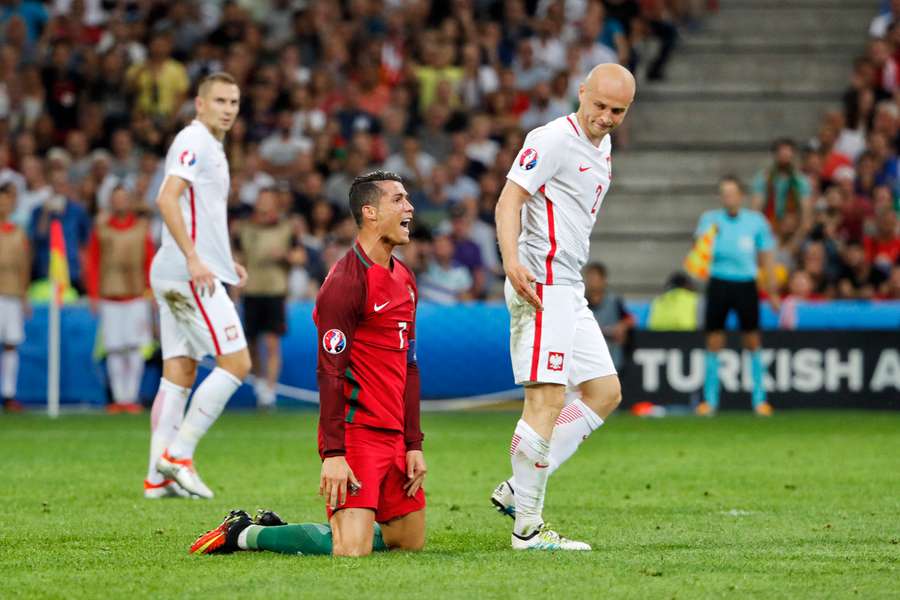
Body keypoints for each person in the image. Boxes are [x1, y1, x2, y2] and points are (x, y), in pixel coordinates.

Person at [189, 171, 426, 557]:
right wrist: (334, 454)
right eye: (398, 200)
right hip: (357, 431)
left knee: (408, 542)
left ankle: (342, 523)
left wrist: (413, 443)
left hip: (395, 433)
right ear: (370, 212)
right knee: (351, 550)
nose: (409, 207)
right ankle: (245, 533)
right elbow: (330, 372)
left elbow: (410, 365)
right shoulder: (346, 282)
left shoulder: (405, 279)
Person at [491, 64, 634, 551]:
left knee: (604, 391)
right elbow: (509, 200)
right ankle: (527, 529)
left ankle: (519, 486)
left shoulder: (604, 146)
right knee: (546, 401)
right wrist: (512, 261)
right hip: (541, 282)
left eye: (617, 111)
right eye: (599, 106)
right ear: (581, 94)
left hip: (569, 287)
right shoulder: (552, 139)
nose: (606, 117)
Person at [144, 72, 252, 500]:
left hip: (176, 270)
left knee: (179, 371)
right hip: (187, 272)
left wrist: (226, 262)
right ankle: (180, 455)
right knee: (236, 363)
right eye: (221, 100)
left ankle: (156, 478)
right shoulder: (194, 142)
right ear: (200, 104)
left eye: (234, 101)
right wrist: (195, 258)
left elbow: (200, 214)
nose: (228, 108)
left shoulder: (212, 145)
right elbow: (166, 198)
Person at [695, 176, 780, 417]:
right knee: (714, 340)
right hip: (719, 282)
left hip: (746, 284)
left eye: (732, 193)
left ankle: (759, 400)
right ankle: (710, 401)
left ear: (740, 196)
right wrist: (709, 237)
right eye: (724, 193)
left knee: (752, 339)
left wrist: (772, 291)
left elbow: (766, 257)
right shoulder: (710, 220)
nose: (728, 197)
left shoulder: (756, 222)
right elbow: (699, 251)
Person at [84, 185, 154, 414]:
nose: (121, 203)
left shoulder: (142, 230)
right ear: (110, 202)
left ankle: (131, 397)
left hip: (136, 296)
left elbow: (150, 261)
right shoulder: (101, 230)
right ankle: (119, 397)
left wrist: (152, 291)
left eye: (125, 198)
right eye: (117, 199)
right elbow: (93, 262)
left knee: (134, 348)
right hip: (110, 296)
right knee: (114, 348)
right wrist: (94, 293)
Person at [234, 187, 306, 409]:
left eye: (267, 199)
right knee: (252, 344)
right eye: (260, 198)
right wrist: (235, 287)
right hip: (251, 291)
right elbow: (238, 258)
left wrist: (284, 255)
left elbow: (300, 256)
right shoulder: (244, 228)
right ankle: (260, 384)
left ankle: (270, 392)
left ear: (275, 202)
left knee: (272, 342)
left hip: (275, 291)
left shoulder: (287, 228)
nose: (263, 203)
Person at [0, 183, 29, 412]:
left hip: (12, 295)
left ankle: (9, 394)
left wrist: (24, 296)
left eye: (7, 201)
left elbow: (24, 266)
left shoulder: (19, 232)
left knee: (11, 345)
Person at [584, 262, 633, 371]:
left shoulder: (614, 301)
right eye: (589, 278)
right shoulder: (581, 302)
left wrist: (621, 327)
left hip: (612, 358)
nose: (590, 282)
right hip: (589, 359)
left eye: (594, 278)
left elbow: (630, 319)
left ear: (603, 280)